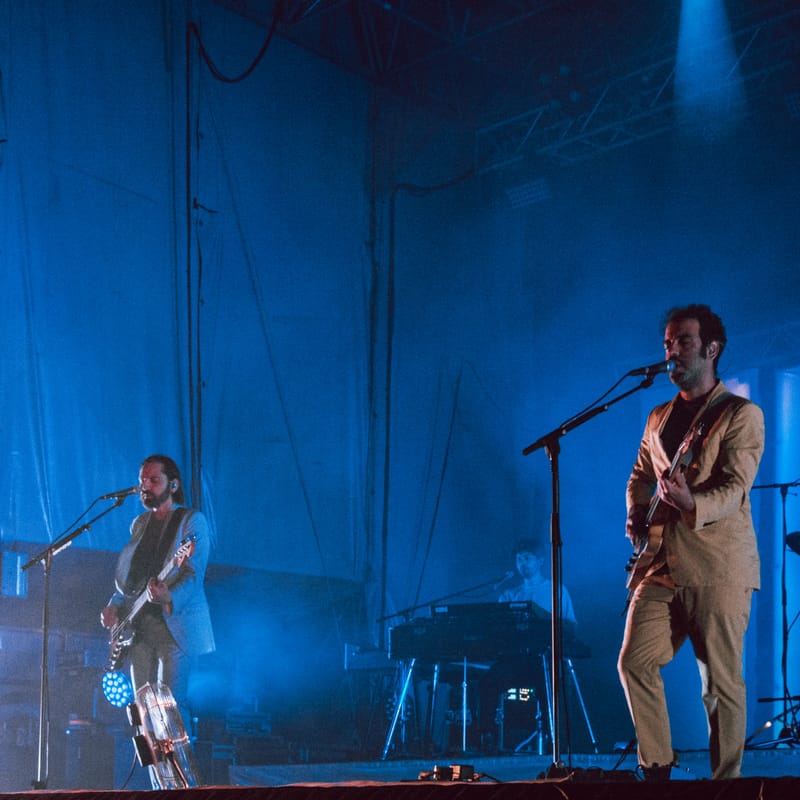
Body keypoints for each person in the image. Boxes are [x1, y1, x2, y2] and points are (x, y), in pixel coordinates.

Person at [618, 304, 764, 781]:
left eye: (682, 341)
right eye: (667, 343)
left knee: (719, 683)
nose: (671, 351)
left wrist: (689, 500)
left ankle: (728, 785)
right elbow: (640, 476)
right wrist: (636, 512)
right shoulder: (659, 416)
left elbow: (735, 488)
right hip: (661, 562)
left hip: (718, 564)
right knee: (634, 661)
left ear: (711, 349)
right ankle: (657, 773)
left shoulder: (740, 414)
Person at [101, 454, 216, 720]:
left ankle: (181, 763)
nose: (145, 486)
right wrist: (114, 606)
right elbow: (131, 580)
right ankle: (153, 764)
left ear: (173, 485)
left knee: (171, 710)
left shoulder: (192, 521)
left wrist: (169, 595)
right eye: (143, 480)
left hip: (173, 628)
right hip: (139, 631)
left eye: (154, 480)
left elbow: (193, 575)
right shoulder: (140, 524)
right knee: (144, 713)